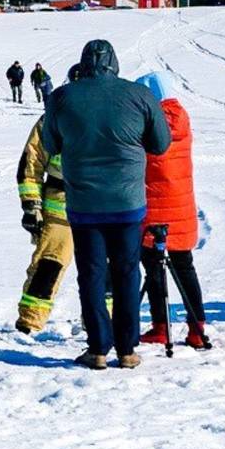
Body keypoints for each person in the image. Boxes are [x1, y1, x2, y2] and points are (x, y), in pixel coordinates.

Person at [39, 39, 170, 369]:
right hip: (127, 203)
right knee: (127, 273)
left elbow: (50, 143)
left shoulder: (63, 97)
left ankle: (98, 349)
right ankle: (127, 350)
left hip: (84, 205)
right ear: (114, 62)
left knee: (92, 275)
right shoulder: (138, 95)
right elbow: (161, 144)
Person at [133, 70, 211, 351]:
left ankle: (160, 325)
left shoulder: (150, 121)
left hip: (155, 205)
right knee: (184, 265)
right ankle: (197, 329)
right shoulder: (182, 117)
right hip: (182, 204)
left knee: (152, 265)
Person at [14, 87, 73, 334]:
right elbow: (31, 161)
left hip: (90, 206)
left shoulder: (108, 114)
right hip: (65, 207)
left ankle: (106, 322)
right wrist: (31, 206)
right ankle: (31, 321)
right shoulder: (54, 118)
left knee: (104, 271)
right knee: (49, 266)